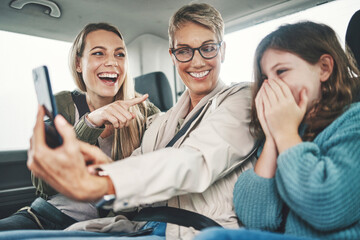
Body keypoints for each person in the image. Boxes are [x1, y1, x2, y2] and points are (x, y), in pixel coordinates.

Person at [0, 3, 257, 240]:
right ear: (173, 55)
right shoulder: (163, 121)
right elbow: (137, 163)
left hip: (189, 230)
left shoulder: (242, 98)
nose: (197, 60)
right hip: (134, 226)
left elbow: (195, 160)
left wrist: (101, 181)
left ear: (222, 50)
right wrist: (96, 161)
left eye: (208, 48)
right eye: (184, 51)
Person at [194, 21, 360, 240]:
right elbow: (257, 218)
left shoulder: (353, 120)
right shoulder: (288, 129)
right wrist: (273, 137)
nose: (269, 87)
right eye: (265, 78)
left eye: (281, 71)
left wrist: (285, 134)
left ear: (324, 68)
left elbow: (326, 205)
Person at [0, 22, 159, 230]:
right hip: (48, 218)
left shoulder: (145, 111)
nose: (112, 62)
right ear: (78, 64)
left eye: (119, 55)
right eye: (99, 53)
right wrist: (91, 122)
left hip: (111, 226)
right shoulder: (62, 104)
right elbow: (44, 185)